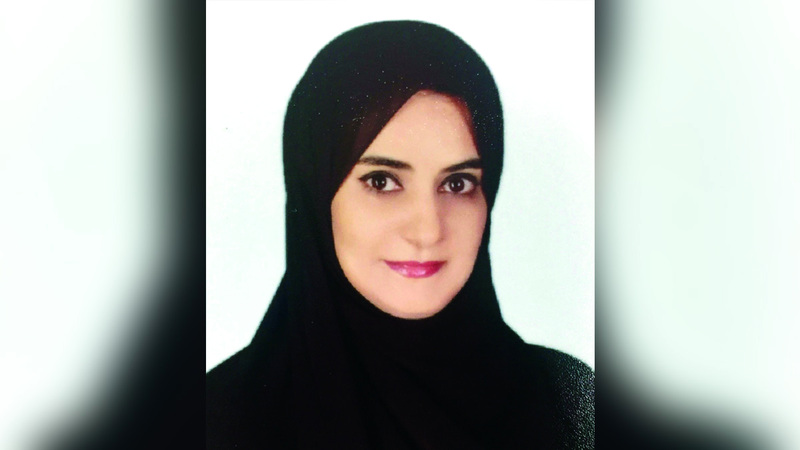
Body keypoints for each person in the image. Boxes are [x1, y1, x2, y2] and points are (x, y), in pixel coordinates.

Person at [206, 20, 594, 449]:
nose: (428, 230)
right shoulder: (214, 424)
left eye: (458, 183)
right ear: (315, 195)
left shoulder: (569, 402)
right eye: (382, 181)